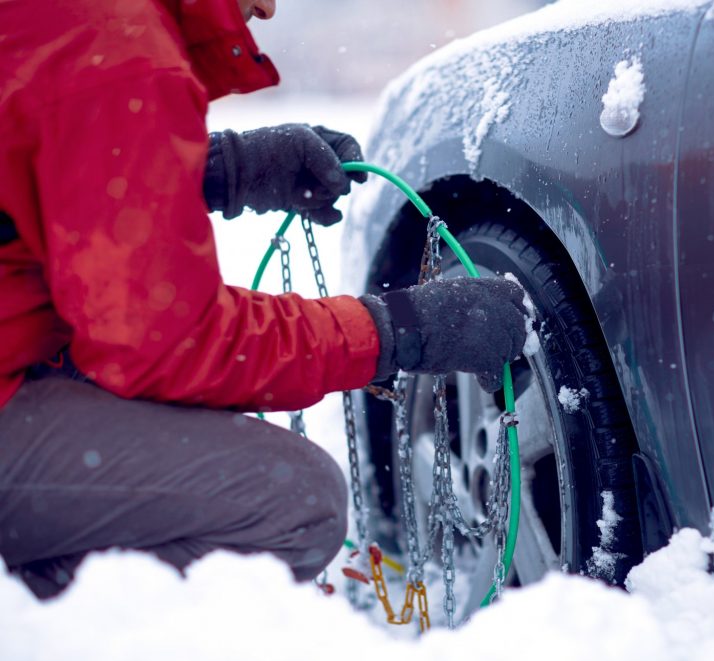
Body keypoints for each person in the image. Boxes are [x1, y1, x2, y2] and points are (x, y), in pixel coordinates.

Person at [0, 0, 528, 598]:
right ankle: (40, 625)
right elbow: (172, 346)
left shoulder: (73, 19)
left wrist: (220, 169)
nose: (269, 9)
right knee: (296, 502)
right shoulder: (117, 47)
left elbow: (36, 164)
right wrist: (398, 329)